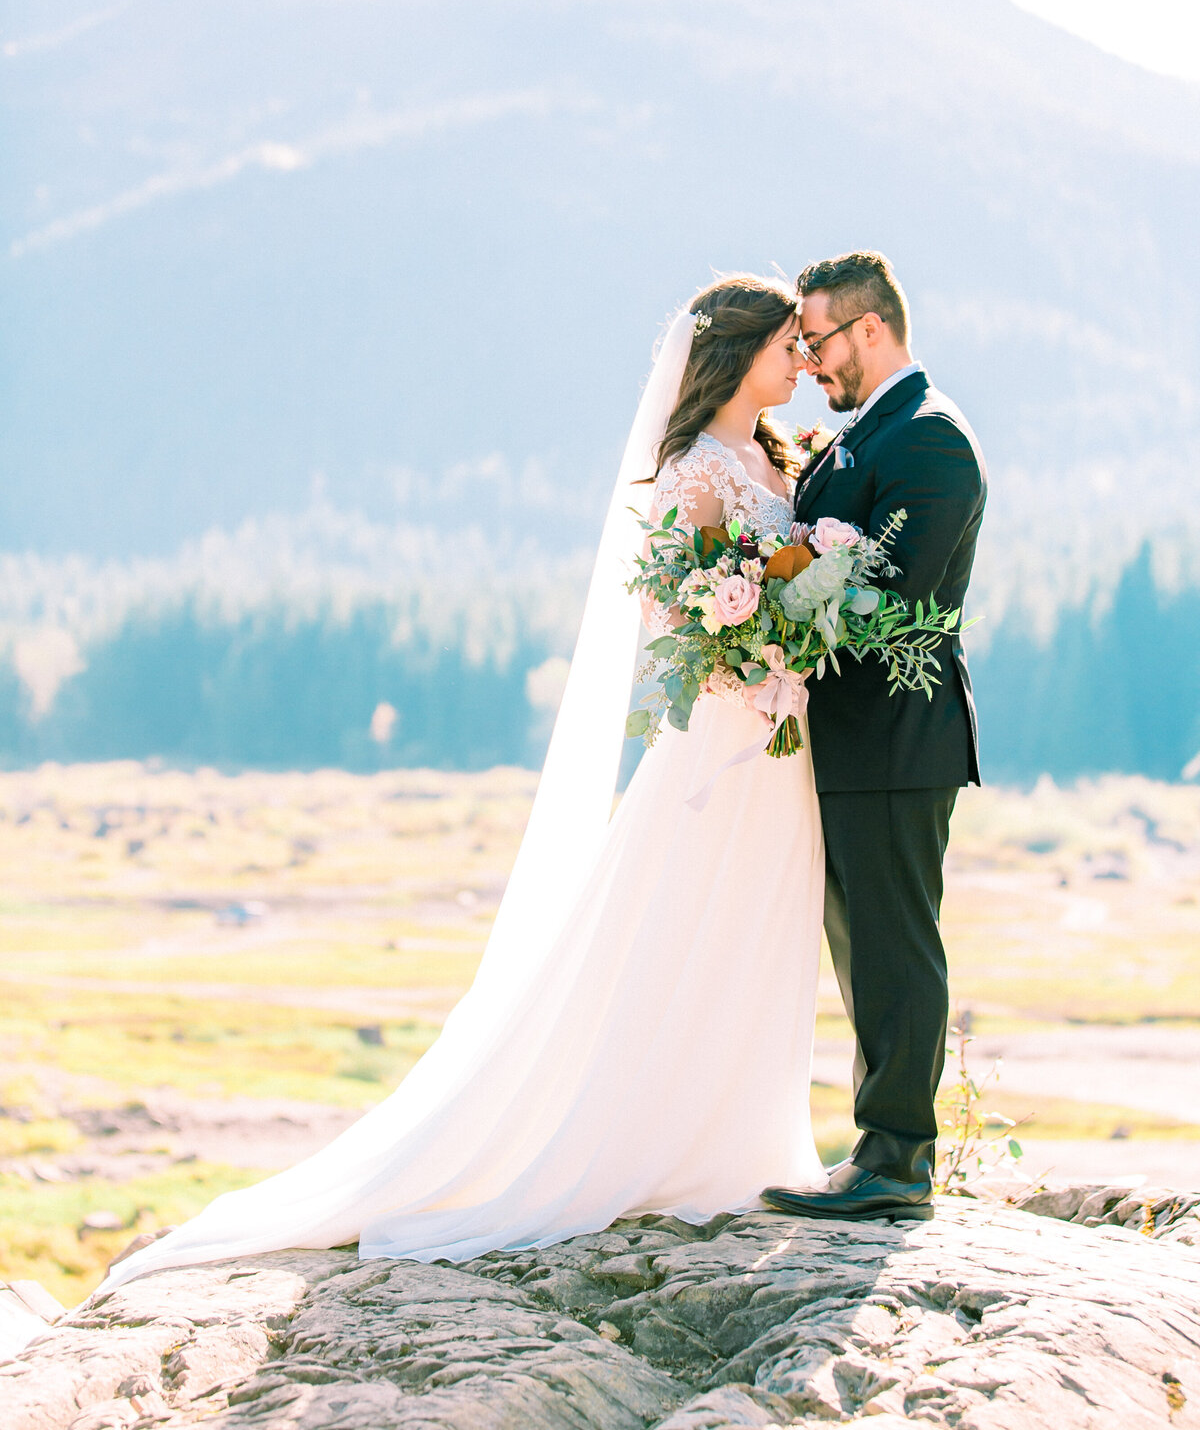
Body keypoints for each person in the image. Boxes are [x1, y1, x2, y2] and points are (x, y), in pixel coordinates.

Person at [104, 275, 829, 1289]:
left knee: (758, 924)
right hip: (722, 738)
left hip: (780, 742)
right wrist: (743, 651)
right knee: (678, 924)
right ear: (739, 352)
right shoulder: (693, 473)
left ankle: (745, 1144)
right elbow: (675, 614)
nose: (804, 360)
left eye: (806, 345)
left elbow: (787, 571)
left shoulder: (780, 456)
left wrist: (795, 626)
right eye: (788, 344)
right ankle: (654, 1145)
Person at [761, 250, 986, 1225]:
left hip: (897, 737)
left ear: (870, 329)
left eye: (815, 341)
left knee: (896, 946)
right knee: (865, 949)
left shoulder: (931, 442)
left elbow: (897, 597)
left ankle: (899, 1158)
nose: (811, 363)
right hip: (852, 741)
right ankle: (879, 1147)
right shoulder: (868, 437)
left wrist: (784, 609)